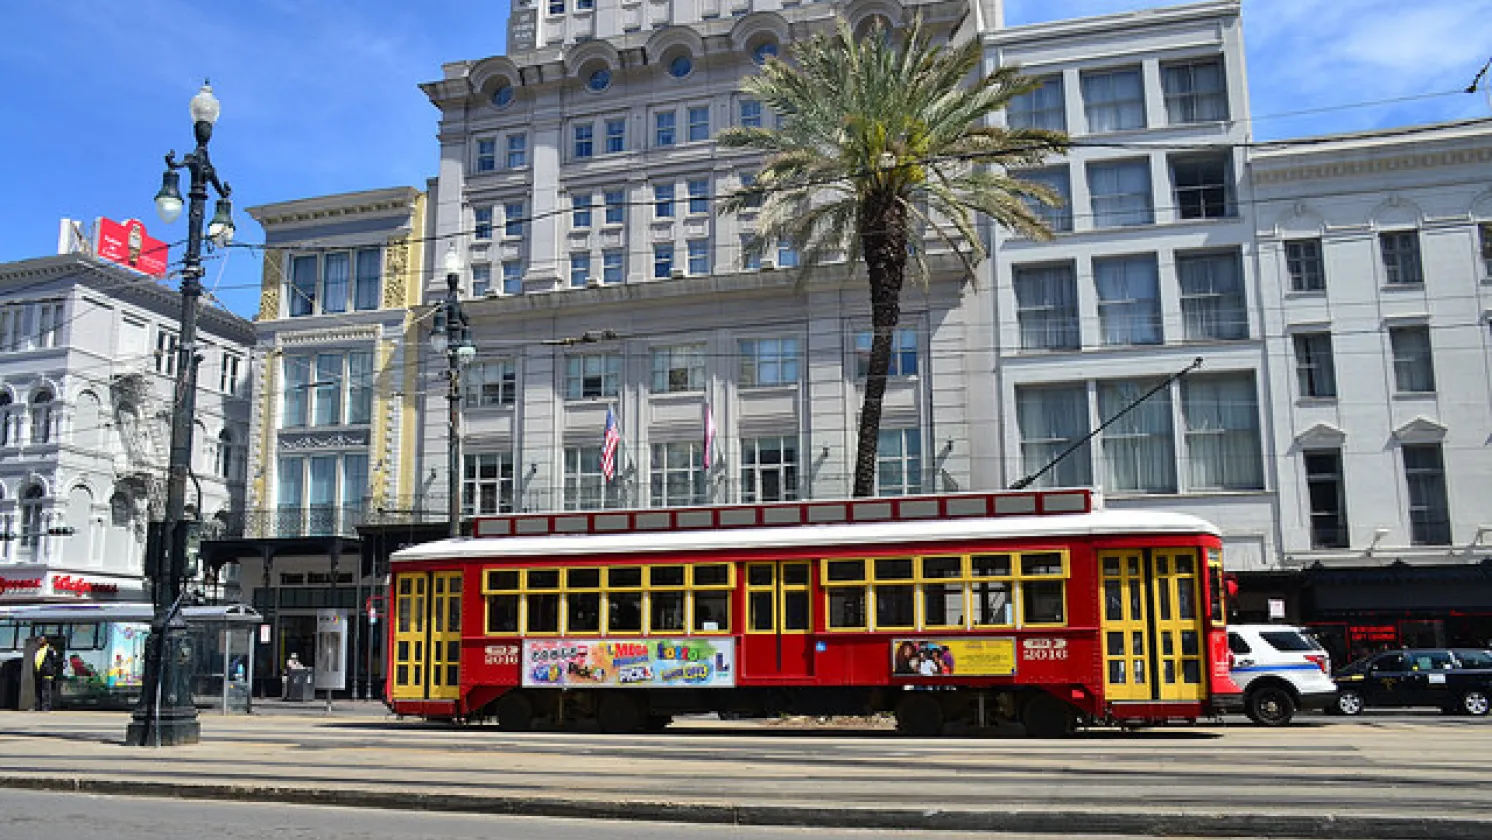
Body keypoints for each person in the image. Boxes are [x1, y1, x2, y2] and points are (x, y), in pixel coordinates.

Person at [33, 637, 62, 712]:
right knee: (38, 690)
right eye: (39, 640)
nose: (39, 642)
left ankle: (46, 707)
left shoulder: (50, 649)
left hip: (47, 673)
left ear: (45, 641)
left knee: (46, 691)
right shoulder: (38, 650)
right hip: (39, 673)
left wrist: (51, 669)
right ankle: (37, 706)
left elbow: (55, 660)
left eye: (41, 640)